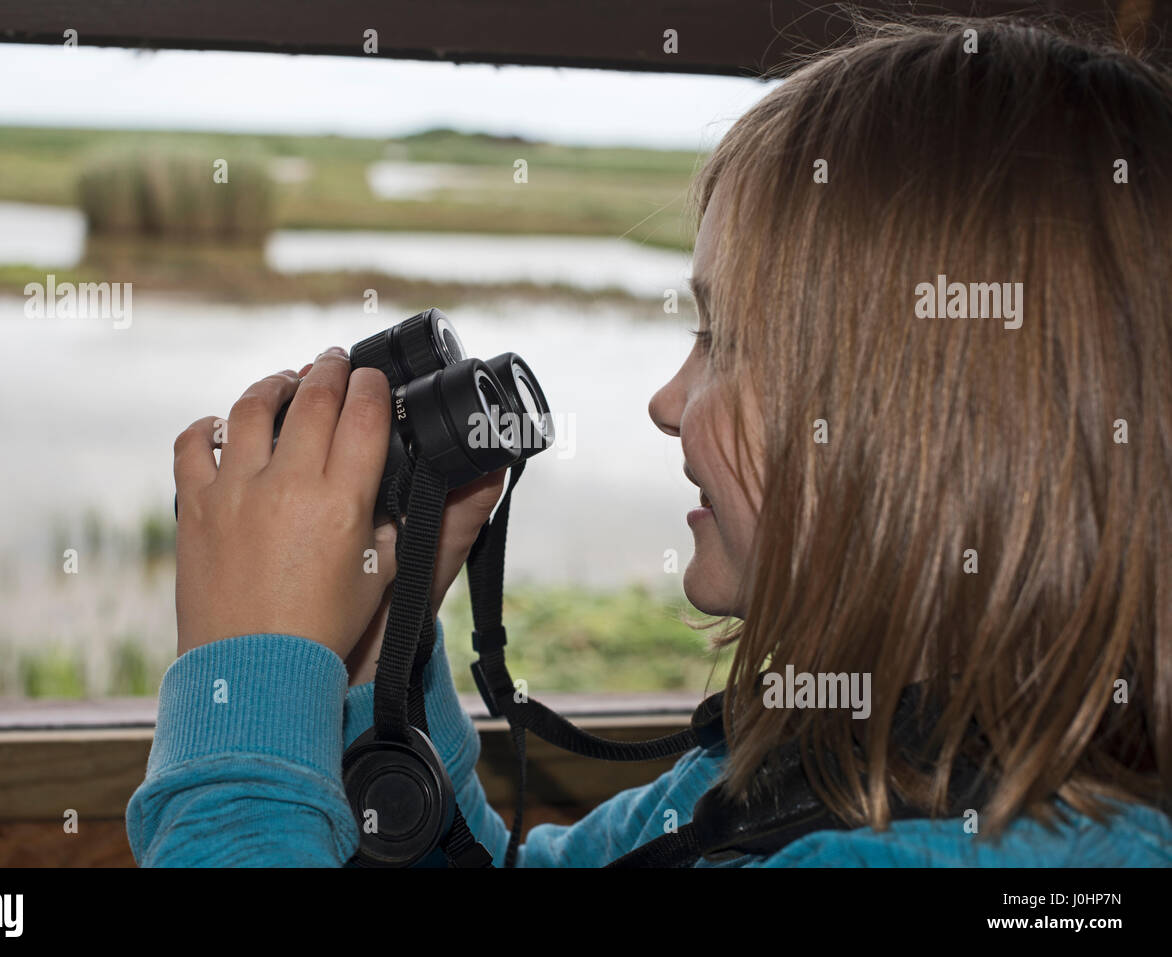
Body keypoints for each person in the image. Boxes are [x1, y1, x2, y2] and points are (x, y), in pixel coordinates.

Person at [127, 17, 1172, 866]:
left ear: (927, 431)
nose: (667, 401)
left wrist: (243, 703)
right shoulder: (812, 767)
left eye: (725, 340)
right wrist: (372, 648)